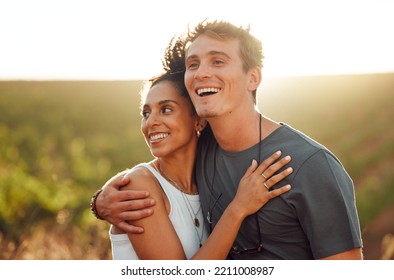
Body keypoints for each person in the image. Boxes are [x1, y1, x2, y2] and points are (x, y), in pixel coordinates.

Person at [92, 20, 363, 259]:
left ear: (253, 78)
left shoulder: (310, 165)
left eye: (218, 61)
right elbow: (153, 175)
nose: (201, 73)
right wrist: (101, 201)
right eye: (193, 64)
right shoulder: (203, 147)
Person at [103, 39, 293, 260]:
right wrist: (238, 208)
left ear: (198, 121)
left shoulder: (207, 179)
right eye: (146, 113)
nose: (150, 122)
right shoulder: (140, 185)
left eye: (165, 109)